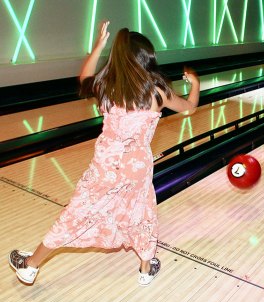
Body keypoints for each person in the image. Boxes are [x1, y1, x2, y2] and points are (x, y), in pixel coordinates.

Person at [8, 21, 200, 286]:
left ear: (117, 59)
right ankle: (146, 268)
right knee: (141, 211)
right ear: (148, 59)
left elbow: (84, 77)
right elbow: (189, 108)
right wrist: (195, 84)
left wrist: (99, 44)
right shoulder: (158, 92)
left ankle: (31, 266)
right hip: (137, 165)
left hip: (105, 163)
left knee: (78, 211)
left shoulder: (105, 87)